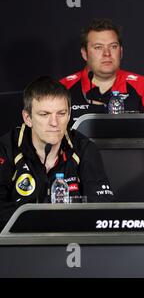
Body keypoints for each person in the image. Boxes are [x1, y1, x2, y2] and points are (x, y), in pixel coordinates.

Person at [0, 76, 115, 228]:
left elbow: (103, 209)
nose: (54, 123)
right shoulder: (6, 148)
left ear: (68, 116)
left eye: (61, 113)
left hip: (73, 241)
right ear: (28, 118)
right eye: (44, 114)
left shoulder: (84, 148)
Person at [60, 18, 144, 125]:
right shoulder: (64, 88)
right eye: (98, 47)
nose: (107, 53)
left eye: (113, 46)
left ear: (121, 52)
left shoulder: (143, 86)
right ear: (84, 53)